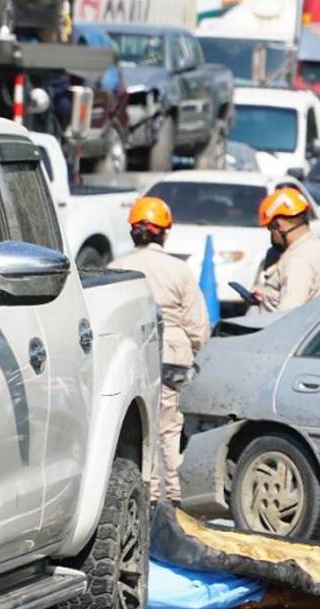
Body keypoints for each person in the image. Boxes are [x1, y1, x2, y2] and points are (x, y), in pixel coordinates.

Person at [109, 197, 210, 505]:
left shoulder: (117, 268)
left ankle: (147, 497)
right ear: (164, 232)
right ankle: (175, 500)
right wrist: (192, 349)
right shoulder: (178, 270)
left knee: (140, 428)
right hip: (173, 354)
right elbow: (198, 326)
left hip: (132, 353)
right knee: (169, 429)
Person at [252, 186, 320, 312]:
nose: (271, 235)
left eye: (271, 229)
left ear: (279, 225)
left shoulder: (298, 260)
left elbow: (287, 316)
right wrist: (266, 295)